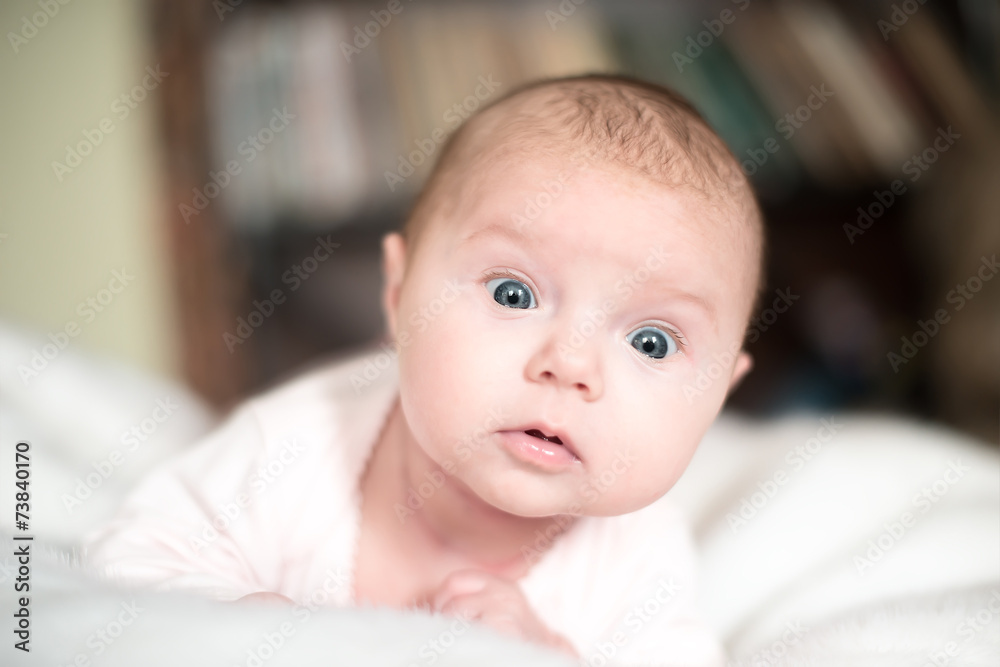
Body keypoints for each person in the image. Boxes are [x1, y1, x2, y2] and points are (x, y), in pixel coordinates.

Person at [84, 74, 765, 665]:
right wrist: (248, 619)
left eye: (651, 342)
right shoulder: (295, 444)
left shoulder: (636, 557)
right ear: (398, 293)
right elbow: (133, 557)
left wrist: (550, 654)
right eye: (513, 294)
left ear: (717, 396)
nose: (570, 364)